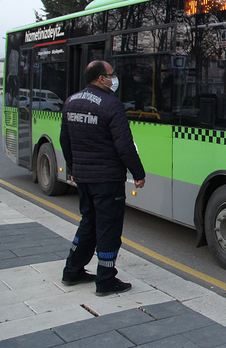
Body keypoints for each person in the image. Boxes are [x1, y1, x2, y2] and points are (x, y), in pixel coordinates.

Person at [60, 61, 146, 296]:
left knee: (88, 222)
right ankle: (106, 279)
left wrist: (72, 167)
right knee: (108, 229)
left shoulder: (71, 101)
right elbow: (125, 146)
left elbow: (65, 140)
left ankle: (72, 270)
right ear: (101, 78)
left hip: (84, 178)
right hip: (108, 179)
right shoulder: (112, 105)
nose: (114, 78)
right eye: (111, 75)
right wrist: (138, 173)